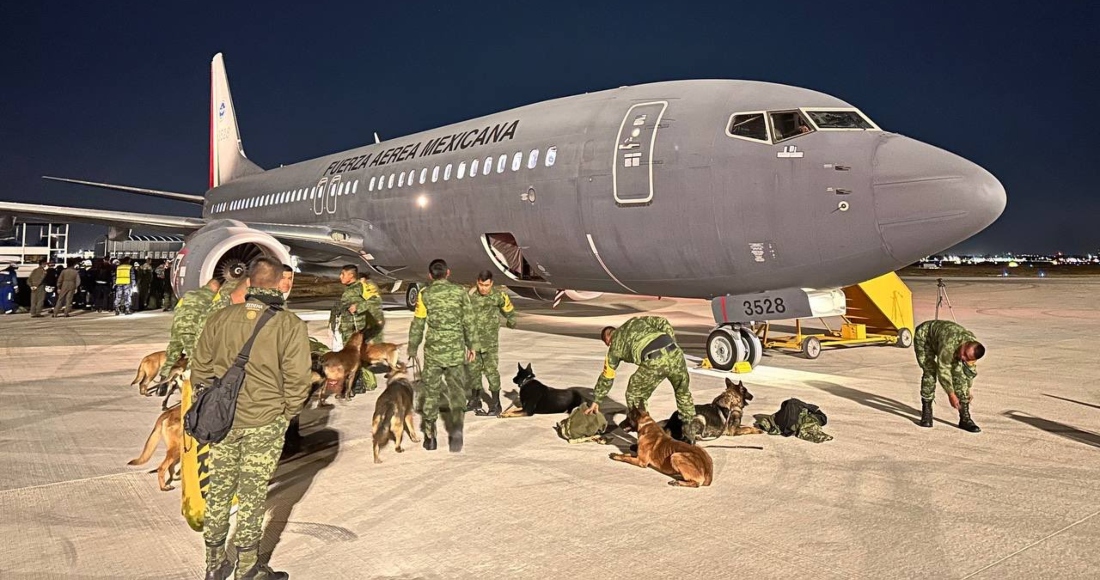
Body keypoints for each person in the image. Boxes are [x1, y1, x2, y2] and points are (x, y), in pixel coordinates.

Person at [191, 257, 311, 580]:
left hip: (223, 422)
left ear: (251, 283)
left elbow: (199, 371)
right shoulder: (290, 325)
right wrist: (287, 414)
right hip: (265, 421)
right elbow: (299, 382)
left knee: (219, 490)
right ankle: (247, 567)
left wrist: (213, 405)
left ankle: (214, 565)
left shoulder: (219, 319)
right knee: (253, 494)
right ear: (275, 285)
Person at [585, 316, 698, 443]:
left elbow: (607, 376)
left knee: (634, 394)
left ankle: (646, 440)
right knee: (683, 392)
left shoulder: (614, 347)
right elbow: (663, 321)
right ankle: (690, 435)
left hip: (654, 359)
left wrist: (597, 400)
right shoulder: (635, 321)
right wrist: (671, 341)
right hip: (675, 352)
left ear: (607, 339)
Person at [408, 259, 479, 452]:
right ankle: (457, 432)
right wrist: (473, 345)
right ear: (448, 272)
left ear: (430, 276)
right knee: (457, 392)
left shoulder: (425, 295)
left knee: (431, 393)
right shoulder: (460, 293)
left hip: (433, 353)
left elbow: (418, 323)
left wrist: (413, 347)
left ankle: (430, 437)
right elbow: (469, 321)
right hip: (456, 351)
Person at [914, 319, 985, 433]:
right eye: (964, 355)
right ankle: (926, 412)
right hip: (925, 337)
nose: (964, 358)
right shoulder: (949, 345)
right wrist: (951, 395)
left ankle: (965, 418)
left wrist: (968, 390)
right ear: (965, 345)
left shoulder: (973, 347)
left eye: (968, 358)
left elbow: (969, 372)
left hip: (943, 340)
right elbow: (943, 370)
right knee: (930, 372)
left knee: (959, 375)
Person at [468, 270, 517, 416]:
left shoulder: (498, 296)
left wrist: (511, 320)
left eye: (487, 285)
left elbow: (508, 309)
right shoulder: (470, 297)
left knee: (491, 372)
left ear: (492, 284)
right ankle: (475, 400)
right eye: (481, 285)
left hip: (490, 343)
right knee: (473, 372)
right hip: (474, 342)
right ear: (477, 282)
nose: (483, 288)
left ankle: (496, 404)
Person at [159, 278, 221, 381]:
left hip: (178, 325)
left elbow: (177, 308)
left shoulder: (188, 294)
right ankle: (190, 381)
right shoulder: (212, 298)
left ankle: (164, 378)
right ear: (216, 289)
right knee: (194, 356)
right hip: (192, 330)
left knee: (172, 353)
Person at [328, 265, 375, 393]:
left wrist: (358, 306)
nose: (340, 277)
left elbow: (373, 302)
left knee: (351, 358)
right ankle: (355, 384)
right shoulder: (352, 289)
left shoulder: (355, 289)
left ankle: (356, 384)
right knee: (352, 358)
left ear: (350, 276)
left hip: (352, 330)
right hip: (349, 328)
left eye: (343, 274)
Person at [358, 271, 385, 344]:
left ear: (363, 279)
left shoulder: (363, 285)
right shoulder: (372, 284)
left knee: (370, 329)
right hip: (375, 309)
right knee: (377, 330)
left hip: (371, 309)